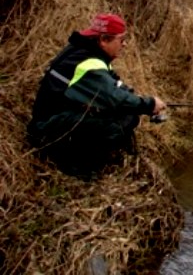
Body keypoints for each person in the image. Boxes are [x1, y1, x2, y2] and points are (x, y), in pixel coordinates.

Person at [27, 13, 167, 178]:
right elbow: (114, 98)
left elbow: (115, 86)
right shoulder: (89, 64)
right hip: (47, 130)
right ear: (104, 40)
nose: (125, 44)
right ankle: (76, 167)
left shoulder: (87, 52)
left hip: (59, 118)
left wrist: (137, 100)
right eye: (121, 40)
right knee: (115, 127)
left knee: (128, 116)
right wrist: (149, 105)